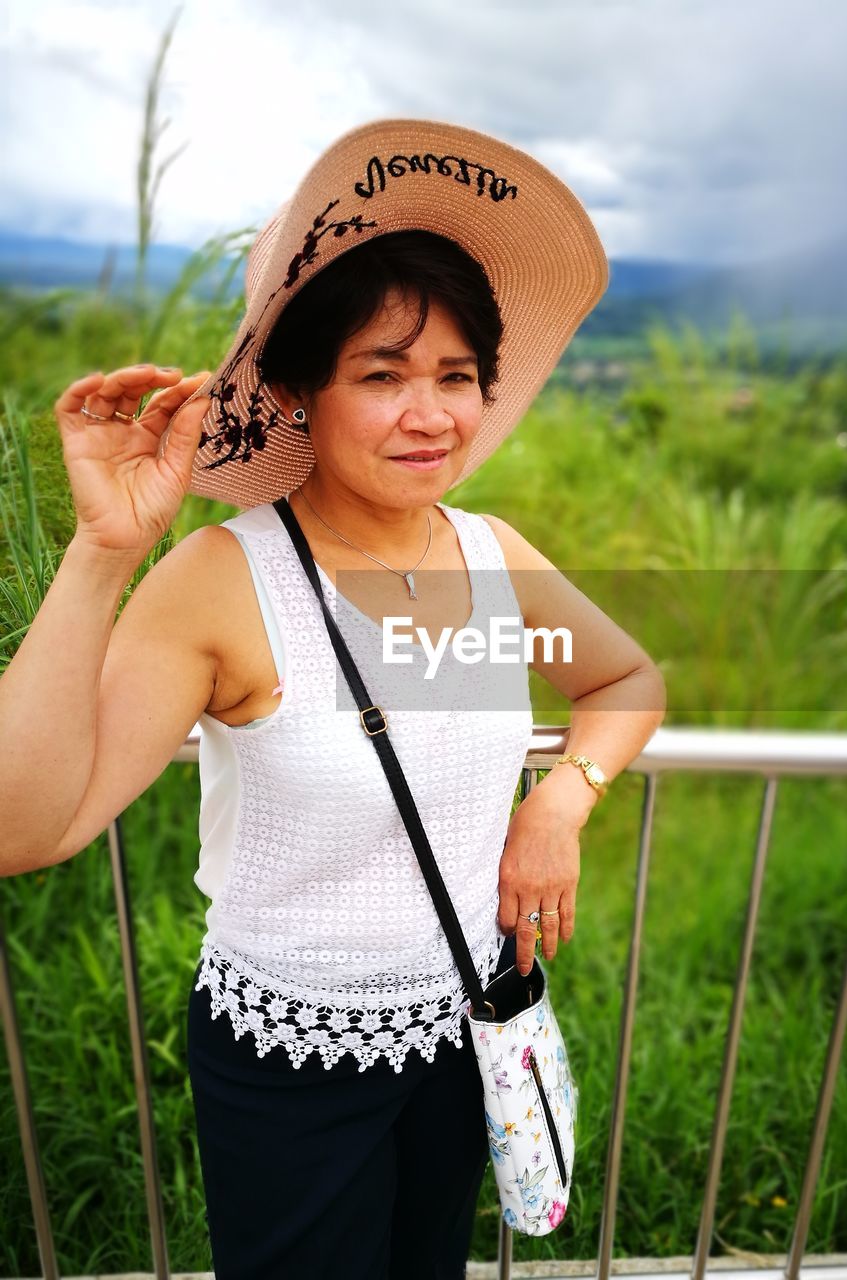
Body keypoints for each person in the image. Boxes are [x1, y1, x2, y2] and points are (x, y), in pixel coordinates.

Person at [0, 120, 666, 1278]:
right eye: (383, 374)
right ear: (301, 390)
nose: (432, 413)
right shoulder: (222, 581)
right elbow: (27, 827)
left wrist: (561, 802)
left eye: (457, 376)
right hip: (291, 1058)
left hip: (463, 1028)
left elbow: (624, 678)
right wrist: (107, 552)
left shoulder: (489, 552)